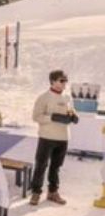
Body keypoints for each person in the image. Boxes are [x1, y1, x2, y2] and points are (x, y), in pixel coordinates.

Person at [30, 70, 78, 206]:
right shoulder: (43, 97)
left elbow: (70, 110)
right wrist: (52, 117)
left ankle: (53, 192)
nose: (64, 83)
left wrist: (74, 116)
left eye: (65, 81)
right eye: (61, 80)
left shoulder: (68, 97)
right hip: (47, 137)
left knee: (56, 166)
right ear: (52, 81)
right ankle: (36, 192)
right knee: (41, 165)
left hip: (63, 137)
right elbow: (36, 117)